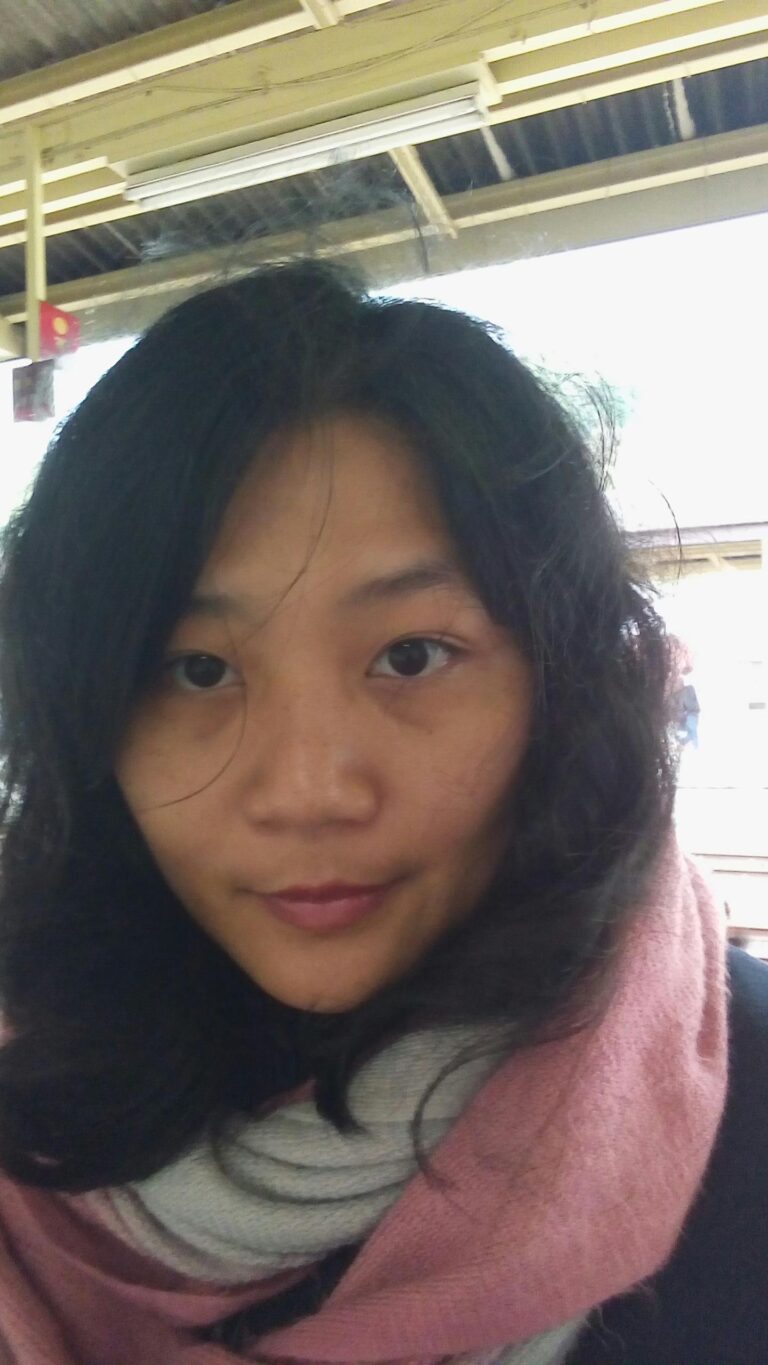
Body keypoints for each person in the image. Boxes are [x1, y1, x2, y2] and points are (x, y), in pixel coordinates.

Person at [0, 260, 764, 1365]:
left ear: (559, 680)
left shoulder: (750, 1123)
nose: (310, 791)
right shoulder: (33, 1061)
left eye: (412, 655)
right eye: (197, 669)